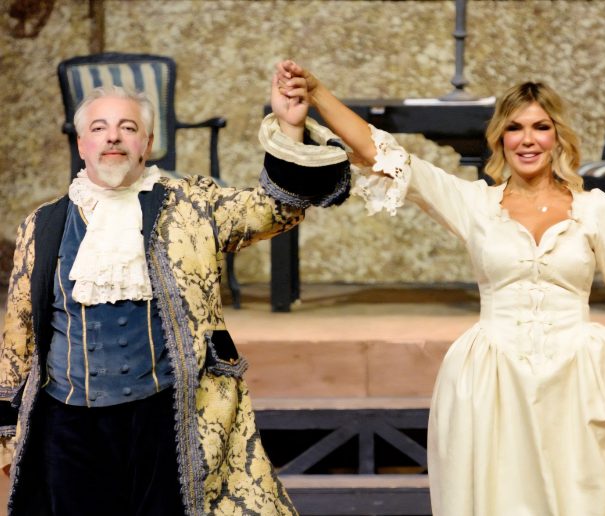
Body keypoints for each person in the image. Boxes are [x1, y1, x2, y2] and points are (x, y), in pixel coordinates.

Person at [275, 60, 605, 516]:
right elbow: (383, 152)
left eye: (540, 127)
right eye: (515, 128)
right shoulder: (475, 204)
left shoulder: (593, 209)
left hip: (576, 385)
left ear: (558, 136)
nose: (527, 139)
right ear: (500, 138)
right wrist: (317, 92)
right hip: (493, 383)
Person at [0, 68, 349, 515]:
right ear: (82, 144)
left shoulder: (193, 205)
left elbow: (273, 209)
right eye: (99, 128)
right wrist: (7, 434)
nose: (113, 137)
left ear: (146, 144)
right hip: (68, 428)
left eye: (128, 128)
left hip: (167, 418)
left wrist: (289, 127)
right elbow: (20, 330)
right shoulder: (43, 224)